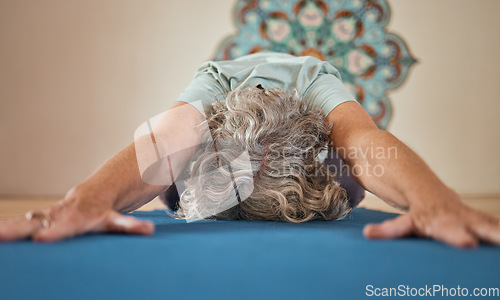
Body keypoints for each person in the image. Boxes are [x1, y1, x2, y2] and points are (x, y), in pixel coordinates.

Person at [0, 52, 498, 248]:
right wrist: (89, 199)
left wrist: (433, 200)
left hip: (306, 146)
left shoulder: (315, 83)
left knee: (353, 174)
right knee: (170, 182)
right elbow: (165, 140)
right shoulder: (206, 97)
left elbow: (366, 144)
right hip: (215, 144)